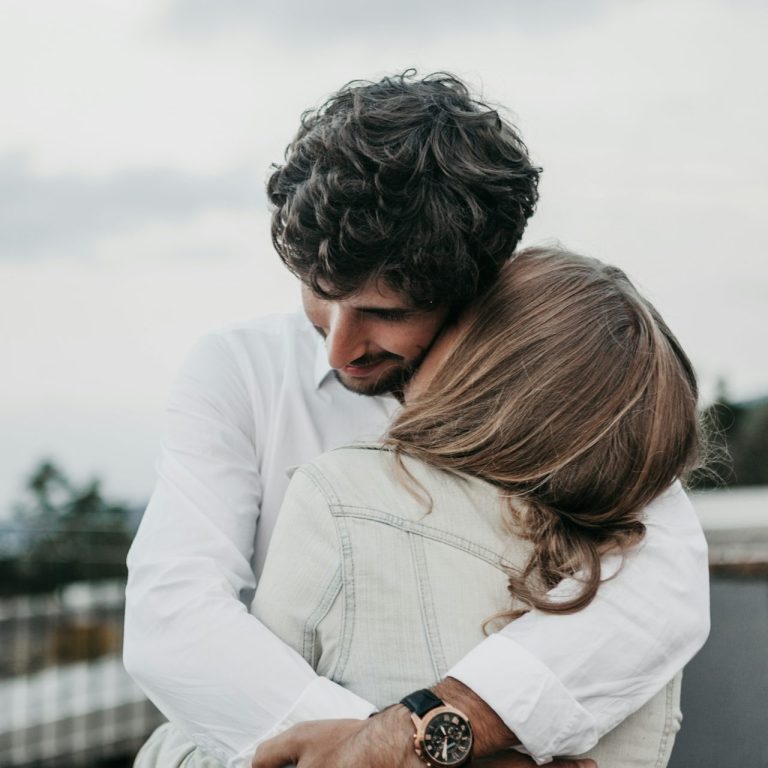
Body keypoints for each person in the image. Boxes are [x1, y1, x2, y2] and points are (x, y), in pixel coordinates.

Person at [123, 72, 709, 768]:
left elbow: (664, 582)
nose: (338, 348)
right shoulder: (239, 370)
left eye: (385, 312)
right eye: (318, 291)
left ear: (475, 287)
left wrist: (437, 731)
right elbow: (172, 615)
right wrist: (416, 747)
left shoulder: (557, 373)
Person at [249, 245, 703, 768]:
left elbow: (241, 746)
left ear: (490, 356)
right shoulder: (642, 567)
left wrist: (399, 741)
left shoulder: (342, 499)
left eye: (451, 322)